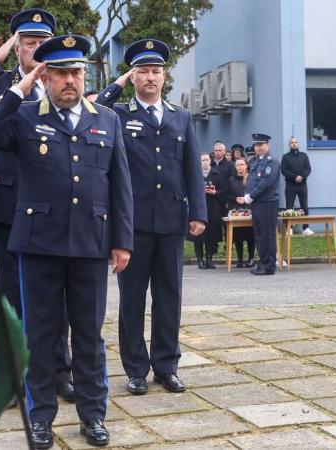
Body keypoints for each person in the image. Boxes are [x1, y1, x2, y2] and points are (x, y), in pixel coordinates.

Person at [0, 35, 133, 448]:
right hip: (38, 245)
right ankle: (40, 416)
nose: (70, 81)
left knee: (89, 336)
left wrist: (122, 241)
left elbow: (120, 186)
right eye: (60, 72)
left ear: (85, 75)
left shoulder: (107, 119)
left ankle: (93, 415)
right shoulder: (25, 116)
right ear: (46, 75)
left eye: (76, 72)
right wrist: (20, 88)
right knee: (40, 335)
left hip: (90, 245)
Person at [0, 8, 75, 403]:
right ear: (18, 48)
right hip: (9, 204)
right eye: (29, 42)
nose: (36, 48)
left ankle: (60, 372)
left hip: (57, 205)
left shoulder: (64, 84)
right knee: (10, 297)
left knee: (57, 294)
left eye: (42, 42)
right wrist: (5, 53)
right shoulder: (5, 84)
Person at [96, 39, 206, 399]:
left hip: (172, 220)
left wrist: (198, 213)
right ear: (133, 75)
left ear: (165, 76)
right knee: (132, 300)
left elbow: (192, 167)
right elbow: (92, 108)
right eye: (142, 71)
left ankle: (167, 366)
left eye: (156, 71)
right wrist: (118, 86)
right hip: (133, 224)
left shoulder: (181, 116)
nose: (150, 78)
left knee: (169, 296)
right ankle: (135, 370)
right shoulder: (119, 115)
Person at [244, 134, 280, 275]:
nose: (258, 148)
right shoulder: (256, 162)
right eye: (256, 145)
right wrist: (248, 195)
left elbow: (265, 183)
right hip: (257, 203)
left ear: (267, 145)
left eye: (260, 145)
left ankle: (269, 266)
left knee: (268, 235)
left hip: (268, 203)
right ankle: (262, 262)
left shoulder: (271, 162)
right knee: (259, 234)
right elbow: (252, 181)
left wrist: (250, 196)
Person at [192, 154, 222, 269]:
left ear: (210, 161)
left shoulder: (217, 174)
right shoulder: (195, 174)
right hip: (199, 206)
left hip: (213, 206)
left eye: (206, 160)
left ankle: (209, 258)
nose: (205, 162)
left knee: (211, 233)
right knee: (198, 234)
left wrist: (216, 192)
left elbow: (223, 190)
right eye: (202, 160)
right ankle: (200, 259)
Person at [280, 136, 312, 235]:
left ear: (298, 144)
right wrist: (295, 177)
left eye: (296, 142)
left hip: (302, 184)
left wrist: (302, 176)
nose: (294, 144)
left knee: (304, 206)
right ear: (289, 145)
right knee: (289, 206)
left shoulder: (304, 155)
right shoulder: (286, 157)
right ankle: (289, 228)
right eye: (292, 142)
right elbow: (284, 170)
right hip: (290, 185)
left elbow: (308, 169)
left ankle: (306, 228)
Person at [227, 157, 255, 267]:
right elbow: (226, 195)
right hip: (236, 211)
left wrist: (247, 199)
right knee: (238, 237)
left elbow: (255, 192)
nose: (240, 167)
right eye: (238, 165)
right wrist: (235, 199)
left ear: (246, 165)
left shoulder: (251, 179)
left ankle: (251, 258)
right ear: (235, 167)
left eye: (242, 164)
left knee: (250, 236)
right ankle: (240, 259)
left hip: (249, 210)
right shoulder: (231, 180)